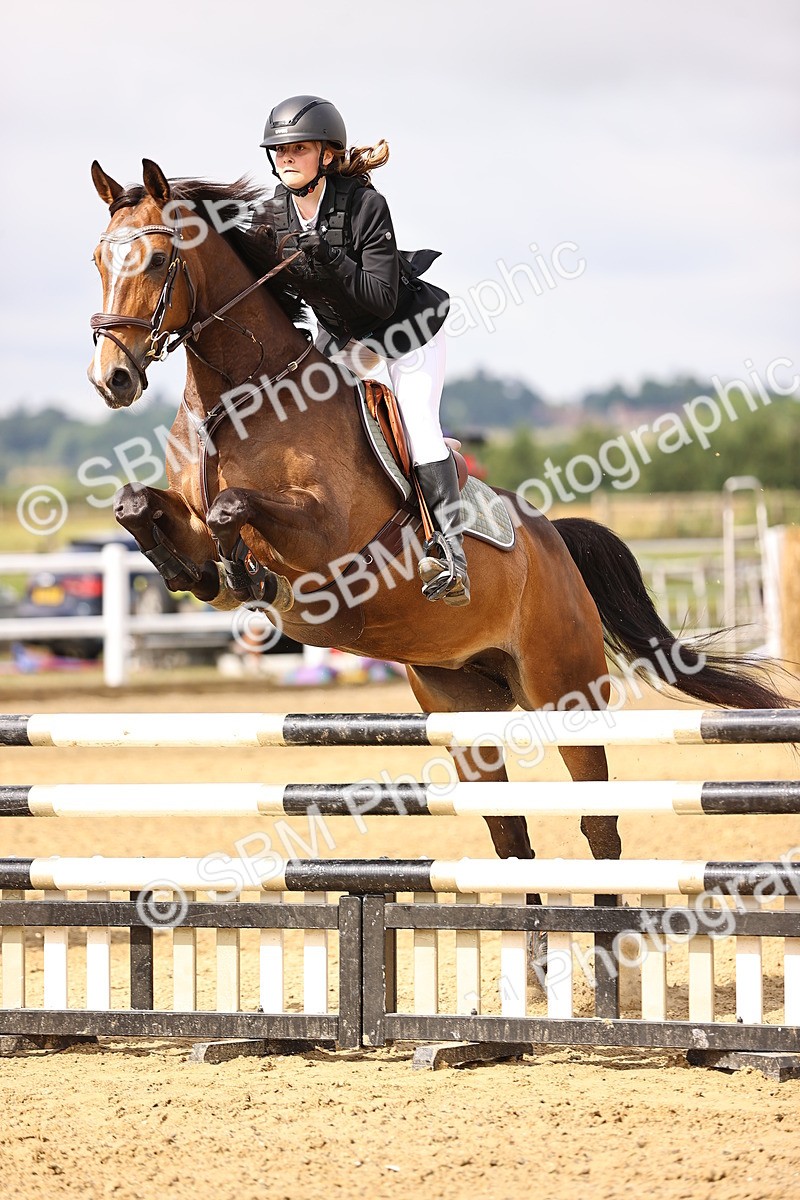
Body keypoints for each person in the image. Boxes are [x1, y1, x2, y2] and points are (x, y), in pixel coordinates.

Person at [257, 95, 469, 606]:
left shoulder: (365, 205)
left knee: (416, 424)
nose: (286, 157)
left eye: (299, 148)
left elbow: (379, 299)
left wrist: (331, 258)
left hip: (404, 332)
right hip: (346, 338)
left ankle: (450, 553)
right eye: (280, 150)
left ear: (327, 154)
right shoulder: (272, 215)